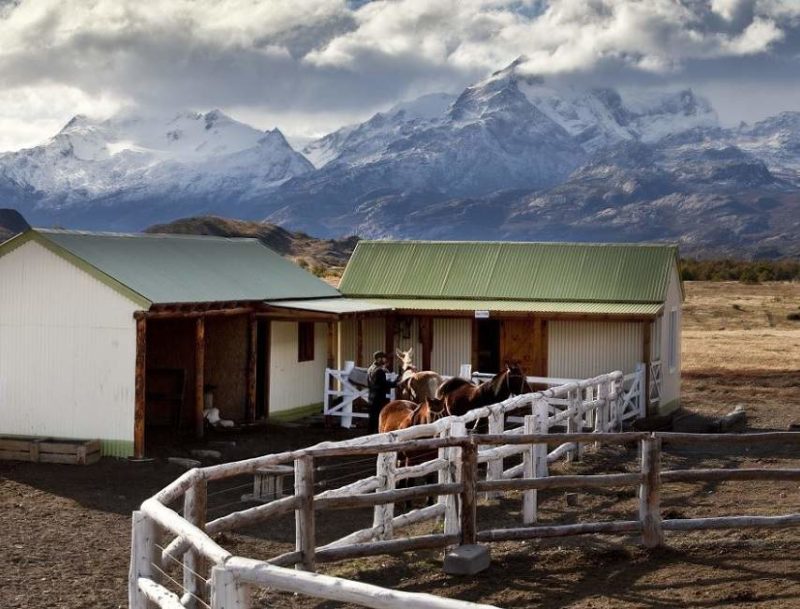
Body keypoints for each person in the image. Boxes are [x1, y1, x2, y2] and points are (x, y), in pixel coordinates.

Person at [367, 350, 396, 433]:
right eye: (383, 358)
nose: (385, 360)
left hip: (371, 396)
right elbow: (384, 384)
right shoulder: (379, 371)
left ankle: (369, 434)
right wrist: (396, 384)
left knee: (372, 418)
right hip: (378, 397)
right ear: (379, 359)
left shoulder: (370, 368)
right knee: (378, 417)